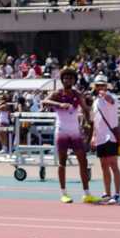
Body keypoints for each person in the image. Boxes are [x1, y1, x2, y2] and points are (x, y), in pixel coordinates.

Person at [48, 68, 96, 205]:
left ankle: (87, 194)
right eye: (66, 78)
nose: (68, 80)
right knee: (62, 162)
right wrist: (59, 104)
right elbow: (44, 102)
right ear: (62, 80)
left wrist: (89, 123)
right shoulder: (57, 93)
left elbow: (85, 109)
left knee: (83, 160)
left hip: (75, 132)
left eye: (71, 78)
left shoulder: (77, 94)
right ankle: (64, 193)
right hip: (62, 131)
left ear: (74, 80)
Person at [88, 75, 120, 204]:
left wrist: (104, 94)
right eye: (98, 85)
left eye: (102, 85)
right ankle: (107, 193)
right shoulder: (95, 101)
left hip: (111, 136)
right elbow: (94, 120)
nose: (100, 88)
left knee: (113, 164)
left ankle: (117, 194)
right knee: (103, 166)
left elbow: (111, 101)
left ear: (106, 86)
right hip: (100, 137)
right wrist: (93, 136)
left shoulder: (112, 97)